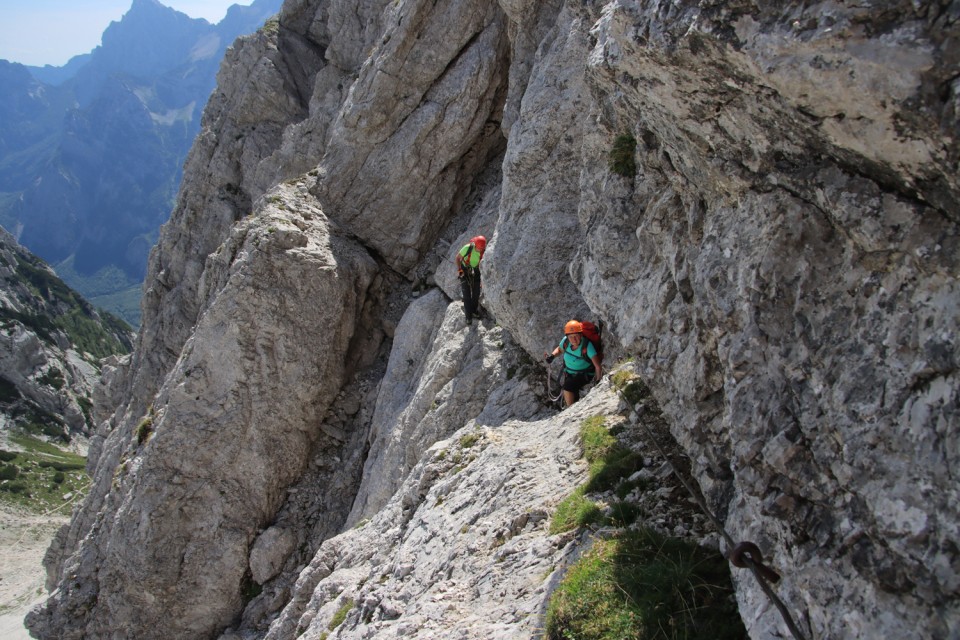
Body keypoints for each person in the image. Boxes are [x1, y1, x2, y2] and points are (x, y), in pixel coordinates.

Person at [545, 320, 603, 406]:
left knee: (568, 387)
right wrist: (552, 356)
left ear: (581, 335)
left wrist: (598, 381)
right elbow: (560, 349)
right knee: (572, 392)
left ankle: (570, 410)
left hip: (585, 374)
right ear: (567, 336)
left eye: (576, 336)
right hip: (569, 373)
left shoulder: (587, 346)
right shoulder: (566, 341)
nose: (573, 339)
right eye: (571, 337)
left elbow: (598, 366)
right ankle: (574, 407)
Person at [456, 235, 486, 324]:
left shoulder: (483, 251)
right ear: (475, 245)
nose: (480, 250)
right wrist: (460, 270)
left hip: (476, 271)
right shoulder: (467, 248)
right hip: (465, 270)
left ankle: (473, 311)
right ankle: (468, 317)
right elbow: (458, 258)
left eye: (481, 248)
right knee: (467, 294)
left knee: (476, 293)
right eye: (479, 248)